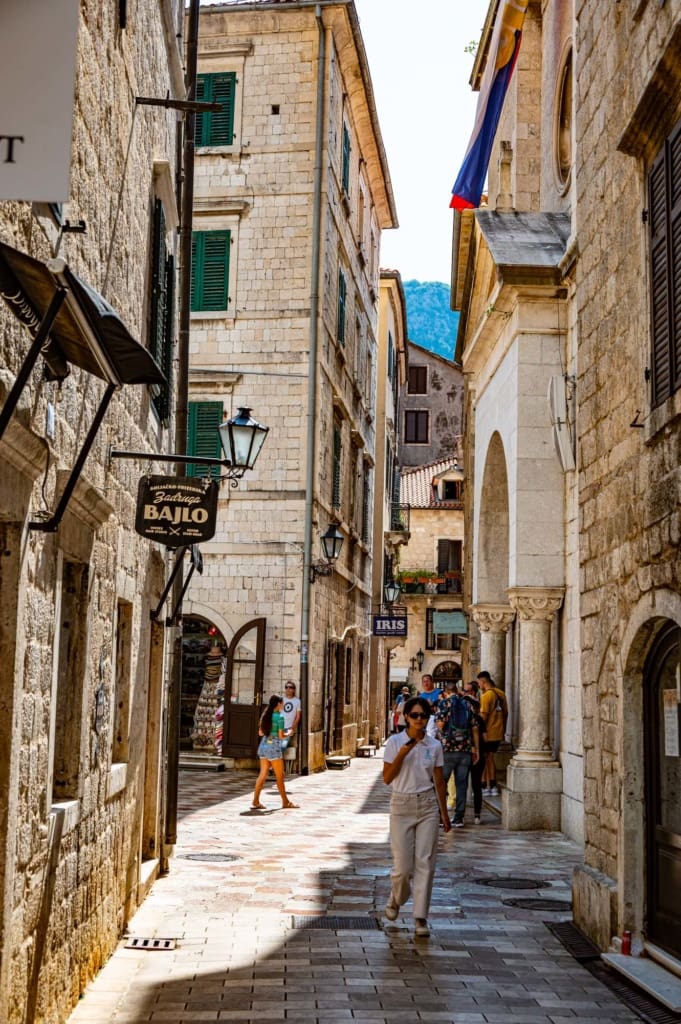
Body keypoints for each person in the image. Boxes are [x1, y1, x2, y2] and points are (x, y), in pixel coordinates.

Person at [382, 696, 451, 938]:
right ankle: (396, 897)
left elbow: (439, 781)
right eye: (415, 715)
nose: (419, 720)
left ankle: (420, 917)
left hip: (427, 806)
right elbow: (387, 778)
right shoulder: (394, 742)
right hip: (401, 805)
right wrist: (403, 753)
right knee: (403, 867)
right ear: (406, 718)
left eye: (423, 715)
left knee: (426, 861)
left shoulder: (434, 746)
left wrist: (444, 813)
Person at [434, 682, 479, 827]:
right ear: (457, 691)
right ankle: (459, 818)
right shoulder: (467, 704)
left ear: (446, 692)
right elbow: (475, 729)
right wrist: (476, 749)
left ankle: (441, 817)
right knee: (462, 784)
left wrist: (440, 731)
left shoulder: (444, 704)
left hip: (447, 750)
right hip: (465, 750)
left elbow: (440, 724)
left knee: (443, 783)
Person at [251, 695, 299, 810]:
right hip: (273, 747)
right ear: (278, 704)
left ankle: (256, 801)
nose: (283, 705)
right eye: (282, 703)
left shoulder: (266, 715)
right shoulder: (280, 717)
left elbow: (260, 733)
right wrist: (290, 733)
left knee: (262, 775)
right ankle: (285, 802)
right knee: (280, 776)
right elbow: (282, 736)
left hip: (263, 746)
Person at [477, 670, 509, 796]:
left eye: (479, 682)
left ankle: (486, 786)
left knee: (484, 759)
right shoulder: (501, 693)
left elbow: (483, 716)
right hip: (498, 731)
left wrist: (478, 730)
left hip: (487, 733)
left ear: (483, 682)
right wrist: (503, 729)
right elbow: (506, 713)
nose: (479, 685)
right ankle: (493, 785)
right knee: (490, 758)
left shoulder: (486, 696)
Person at [461, 679, 485, 824]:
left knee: (461, 784)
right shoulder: (479, 719)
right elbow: (485, 737)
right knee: (477, 785)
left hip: (463, 753)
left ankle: (460, 815)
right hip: (478, 754)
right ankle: (477, 815)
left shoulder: (461, 717)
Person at [281, 680, 301, 751]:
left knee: (282, 747)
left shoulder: (297, 701)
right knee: (272, 746)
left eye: (290, 687)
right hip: (278, 728)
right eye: (286, 687)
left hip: (288, 729)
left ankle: (279, 761)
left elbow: (298, 716)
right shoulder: (281, 700)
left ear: (294, 690)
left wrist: (292, 728)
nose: (288, 689)